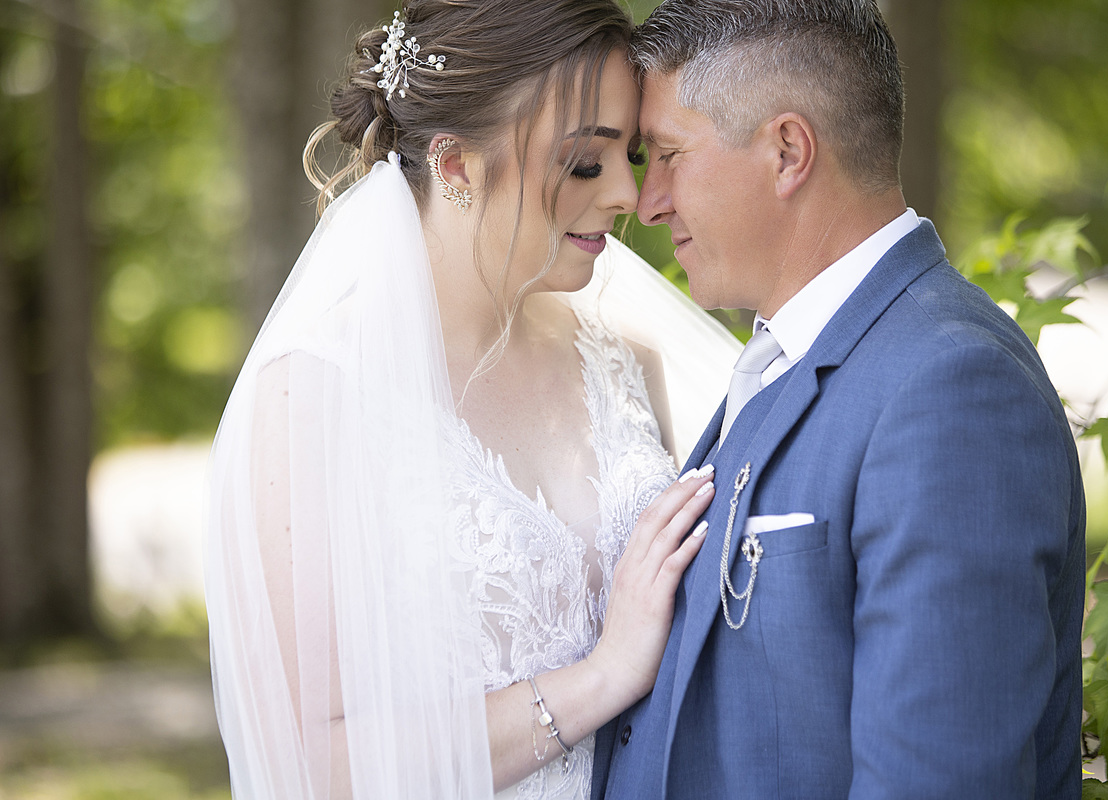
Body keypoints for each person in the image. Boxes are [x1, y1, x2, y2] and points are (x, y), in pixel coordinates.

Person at [203, 1, 741, 797]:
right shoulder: (312, 400)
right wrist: (602, 676)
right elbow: (313, 763)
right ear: (456, 167)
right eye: (586, 164)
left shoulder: (628, 362)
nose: (630, 193)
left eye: (630, 154)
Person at [592, 1, 1086, 798]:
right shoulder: (799, 353)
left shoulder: (953, 390)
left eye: (669, 155)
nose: (648, 202)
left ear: (788, 151)